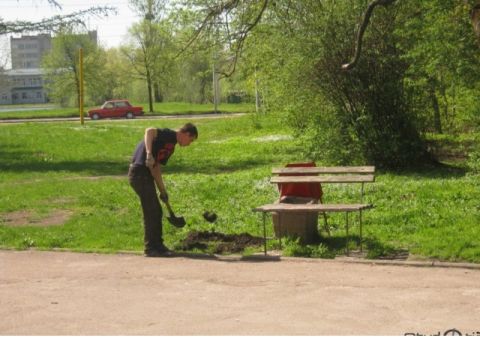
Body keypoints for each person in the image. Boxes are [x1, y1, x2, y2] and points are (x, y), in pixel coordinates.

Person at [128, 123, 198, 257]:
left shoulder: (171, 147)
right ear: (186, 134)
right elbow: (149, 131)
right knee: (152, 211)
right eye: (191, 140)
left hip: (145, 175)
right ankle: (151, 248)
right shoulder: (169, 135)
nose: (189, 144)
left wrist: (162, 191)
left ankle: (158, 246)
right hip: (139, 173)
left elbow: (156, 168)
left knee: (156, 211)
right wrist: (148, 154)